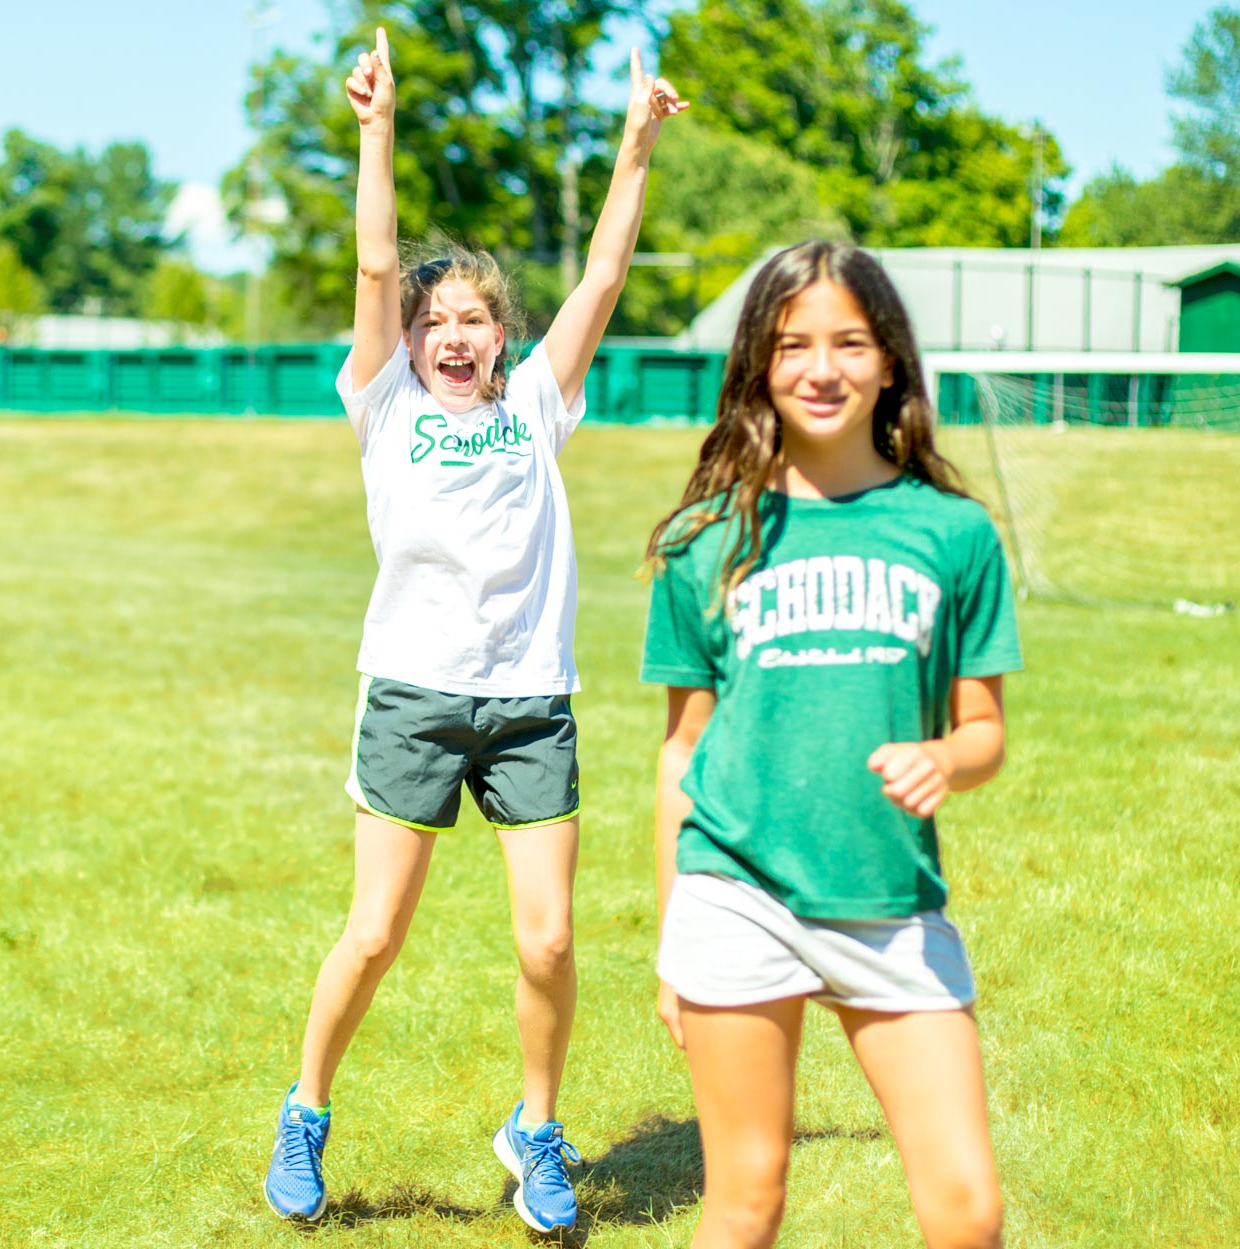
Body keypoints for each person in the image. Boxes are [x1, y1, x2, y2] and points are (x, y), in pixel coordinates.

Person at [261, 27, 687, 1234]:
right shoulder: (381, 403)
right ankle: (305, 1108)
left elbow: (603, 275)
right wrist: (375, 127)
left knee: (550, 946)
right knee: (375, 932)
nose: (456, 334)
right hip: (409, 694)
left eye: (476, 320)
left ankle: (535, 1131)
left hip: (529, 702)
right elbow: (373, 258)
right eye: (435, 319)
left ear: (503, 336)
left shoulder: (541, 404)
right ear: (407, 339)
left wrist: (635, 145)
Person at [640, 240, 1021, 1249]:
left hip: (891, 905)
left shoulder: (953, 533)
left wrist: (948, 757)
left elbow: (984, 729)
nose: (822, 368)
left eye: (850, 342)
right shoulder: (706, 540)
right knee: (746, 1201)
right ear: (760, 364)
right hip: (736, 893)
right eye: (793, 344)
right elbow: (683, 750)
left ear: (890, 358)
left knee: (967, 1209)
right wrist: (675, 939)